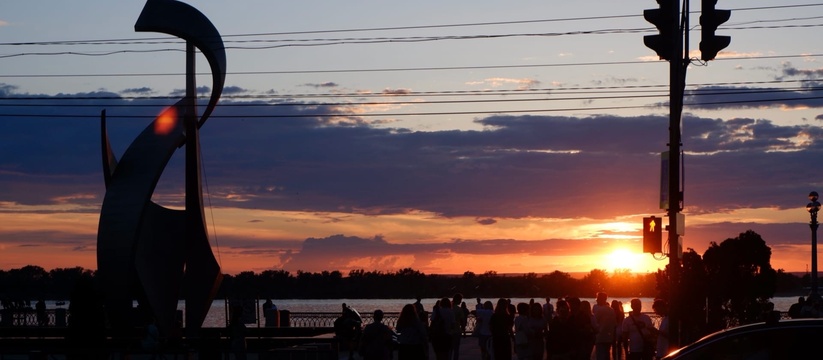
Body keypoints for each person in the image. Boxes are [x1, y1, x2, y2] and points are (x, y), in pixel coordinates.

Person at [593, 292, 616, 360]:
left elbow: (594, 322)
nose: (596, 300)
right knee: (607, 355)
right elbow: (614, 324)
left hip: (600, 337)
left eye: (597, 298)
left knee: (600, 356)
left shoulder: (599, 310)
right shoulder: (611, 310)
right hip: (609, 337)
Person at [451, 293, 466, 360]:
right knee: (456, 349)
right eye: (460, 300)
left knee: (449, 349)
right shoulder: (459, 309)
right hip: (457, 331)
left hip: (449, 331)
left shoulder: (449, 308)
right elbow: (462, 321)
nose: (461, 301)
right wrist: (464, 331)